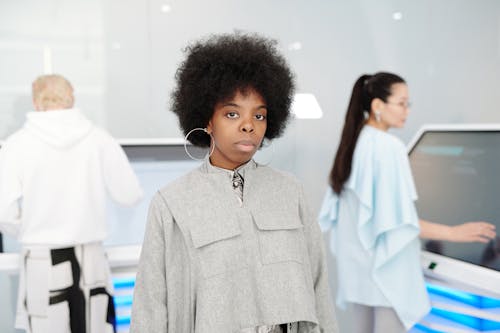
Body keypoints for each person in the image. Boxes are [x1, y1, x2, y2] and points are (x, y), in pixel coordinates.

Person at [130, 33, 338, 333]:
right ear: (208, 120)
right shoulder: (173, 203)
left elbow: (319, 286)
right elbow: (150, 304)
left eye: (260, 115)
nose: (248, 124)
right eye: (232, 113)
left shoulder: (289, 192)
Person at [318, 72, 496, 333]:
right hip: (385, 271)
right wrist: (455, 233)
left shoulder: (353, 142)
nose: (407, 111)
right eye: (402, 103)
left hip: (359, 271)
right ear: (378, 106)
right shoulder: (388, 147)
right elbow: (398, 221)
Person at [0, 74, 143, 333]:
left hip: (41, 261)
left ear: (35, 101)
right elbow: (129, 194)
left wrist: (29, 225)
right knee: (93, 324)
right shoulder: (99, 139)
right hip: (90, 259)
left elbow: (3, 213)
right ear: (72, 98)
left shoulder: (17, 144)